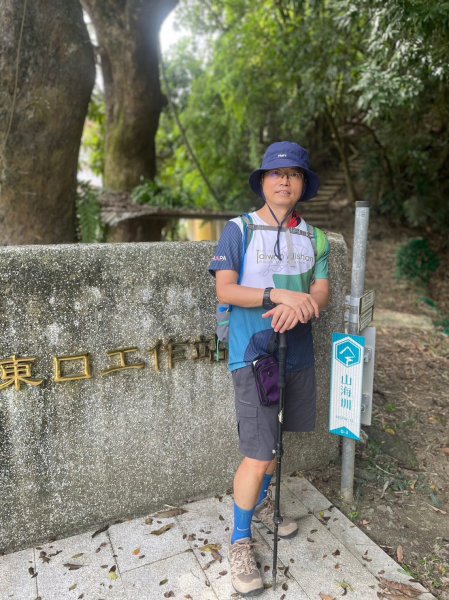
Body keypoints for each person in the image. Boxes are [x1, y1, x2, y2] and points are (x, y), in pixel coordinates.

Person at [209, 141, 330, 596]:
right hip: (253, 352)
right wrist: (276, 296)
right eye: (276, 174)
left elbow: (321, 292)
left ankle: (262, 506)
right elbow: (225, 290)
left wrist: (302, 307)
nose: (285, 181)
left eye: (295, 174)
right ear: (262, 181)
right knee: (259, 452)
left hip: (296, 350)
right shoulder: (239, 229)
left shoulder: (315, 238)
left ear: (303, 185)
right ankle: (240, 540)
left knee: (277, 442)